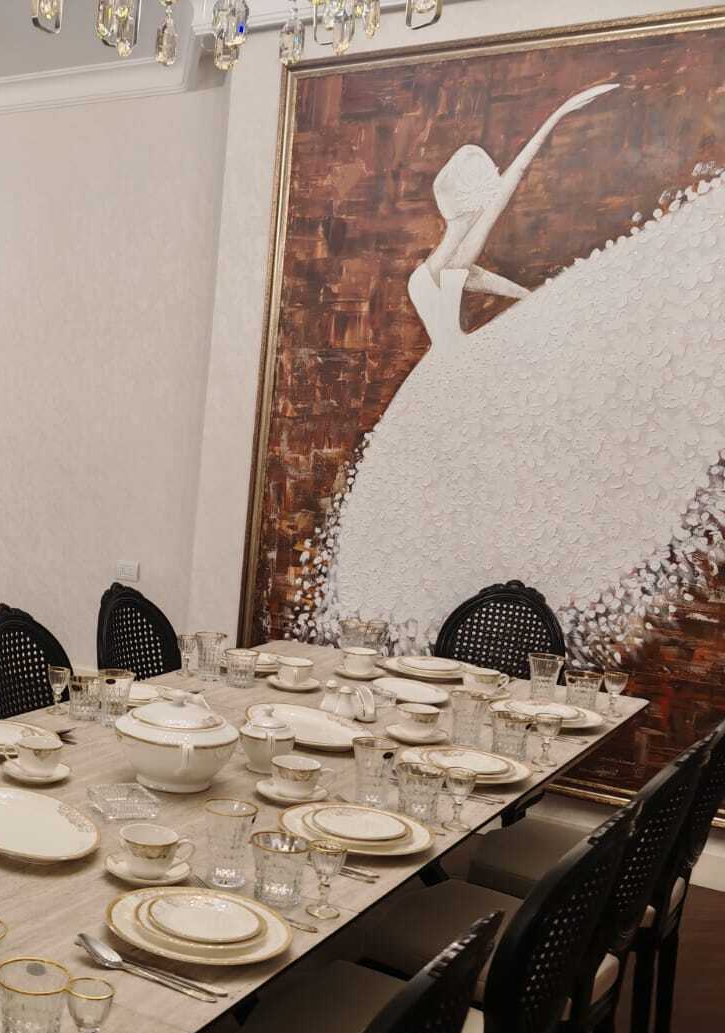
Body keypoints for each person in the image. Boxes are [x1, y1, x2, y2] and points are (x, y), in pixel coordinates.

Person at [309, 81, 725, 666]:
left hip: (444, 376)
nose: (488, 209)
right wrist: (555, 116)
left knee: (473, 484)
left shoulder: (438, 265)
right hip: (456, 378)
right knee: (466, 486)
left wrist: (533, 300)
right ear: (467, 205)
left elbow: (486, 275)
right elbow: (501, 205)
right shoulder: (448, 259)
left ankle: (445, 617)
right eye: (480, 202)